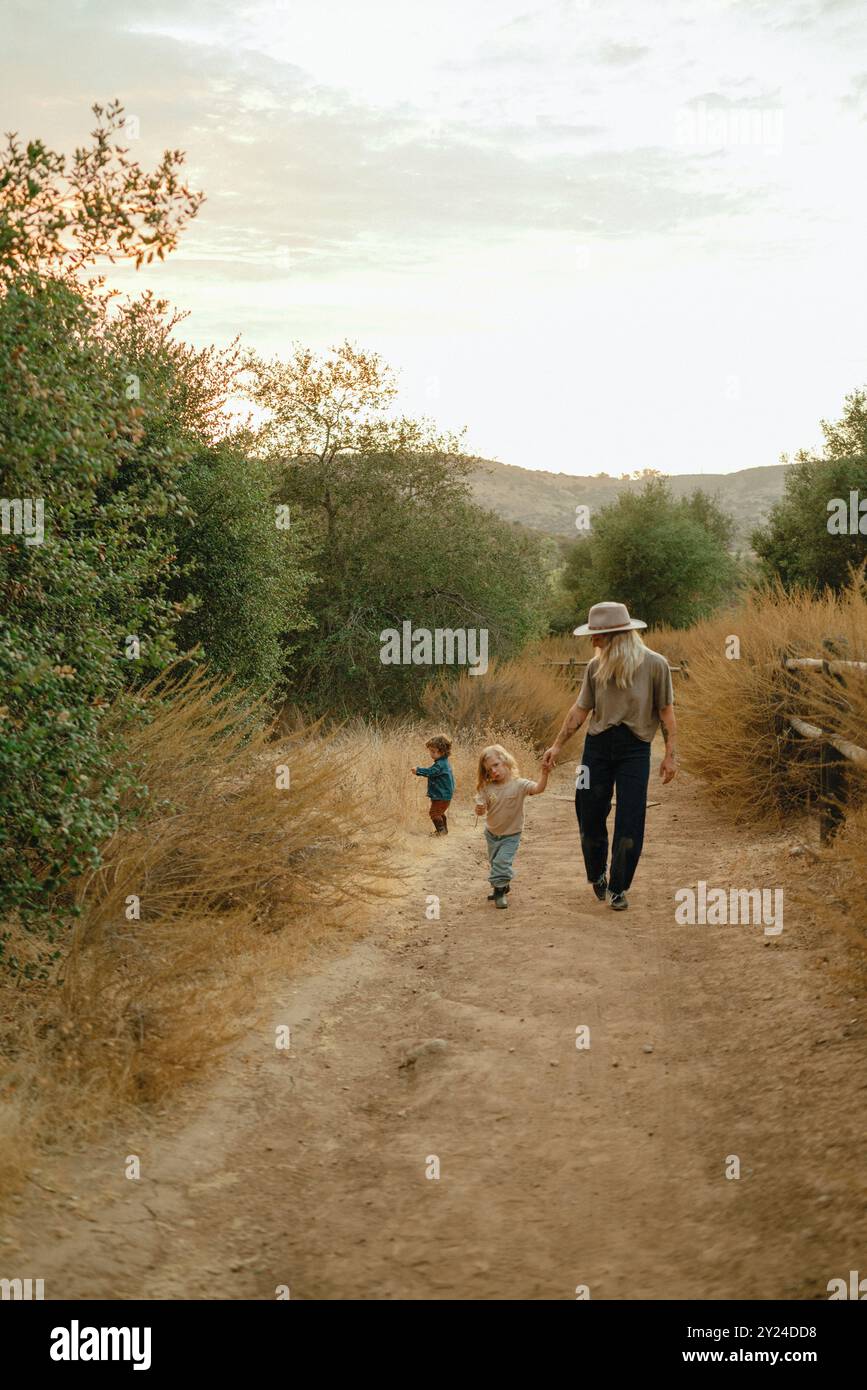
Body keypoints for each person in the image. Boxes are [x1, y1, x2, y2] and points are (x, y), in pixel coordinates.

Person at [542, 601, 677, 912]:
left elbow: (666, 713)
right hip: (596, 747)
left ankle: (619, 886)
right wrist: (558, 744)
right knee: (586, 807)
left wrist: (671, 755)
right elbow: (580, 710)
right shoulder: (595, 667)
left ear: (617, 636)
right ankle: (597, 873)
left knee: (631, 817)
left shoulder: (656, 665)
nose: (592, 642)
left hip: (636, 748)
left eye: (598, 636)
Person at [474, 743, 549, 908]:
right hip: (492, 833)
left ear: (505, 761)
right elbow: (481, 808)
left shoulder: (519, 784)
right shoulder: (487, 788)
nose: (493, 771)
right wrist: (479, 808)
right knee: (495, 863)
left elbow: (538, 789)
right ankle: (502, 885)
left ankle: (500, 892)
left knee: (502, 862)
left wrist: (544, 773)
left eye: (496, 765)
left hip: (511, 834)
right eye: (488, 769)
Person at [411, 735, 455, 834]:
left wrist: (418, 770)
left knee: (434, 813)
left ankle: (441, 831)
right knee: (439, 812)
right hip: (443, 794)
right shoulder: (443, 762)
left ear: (442, 752)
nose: (431, 754)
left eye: (433, 752)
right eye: (430, 751)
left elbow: (431, 772)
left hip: (442, 795)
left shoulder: (440, 764)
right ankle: (444, 830)